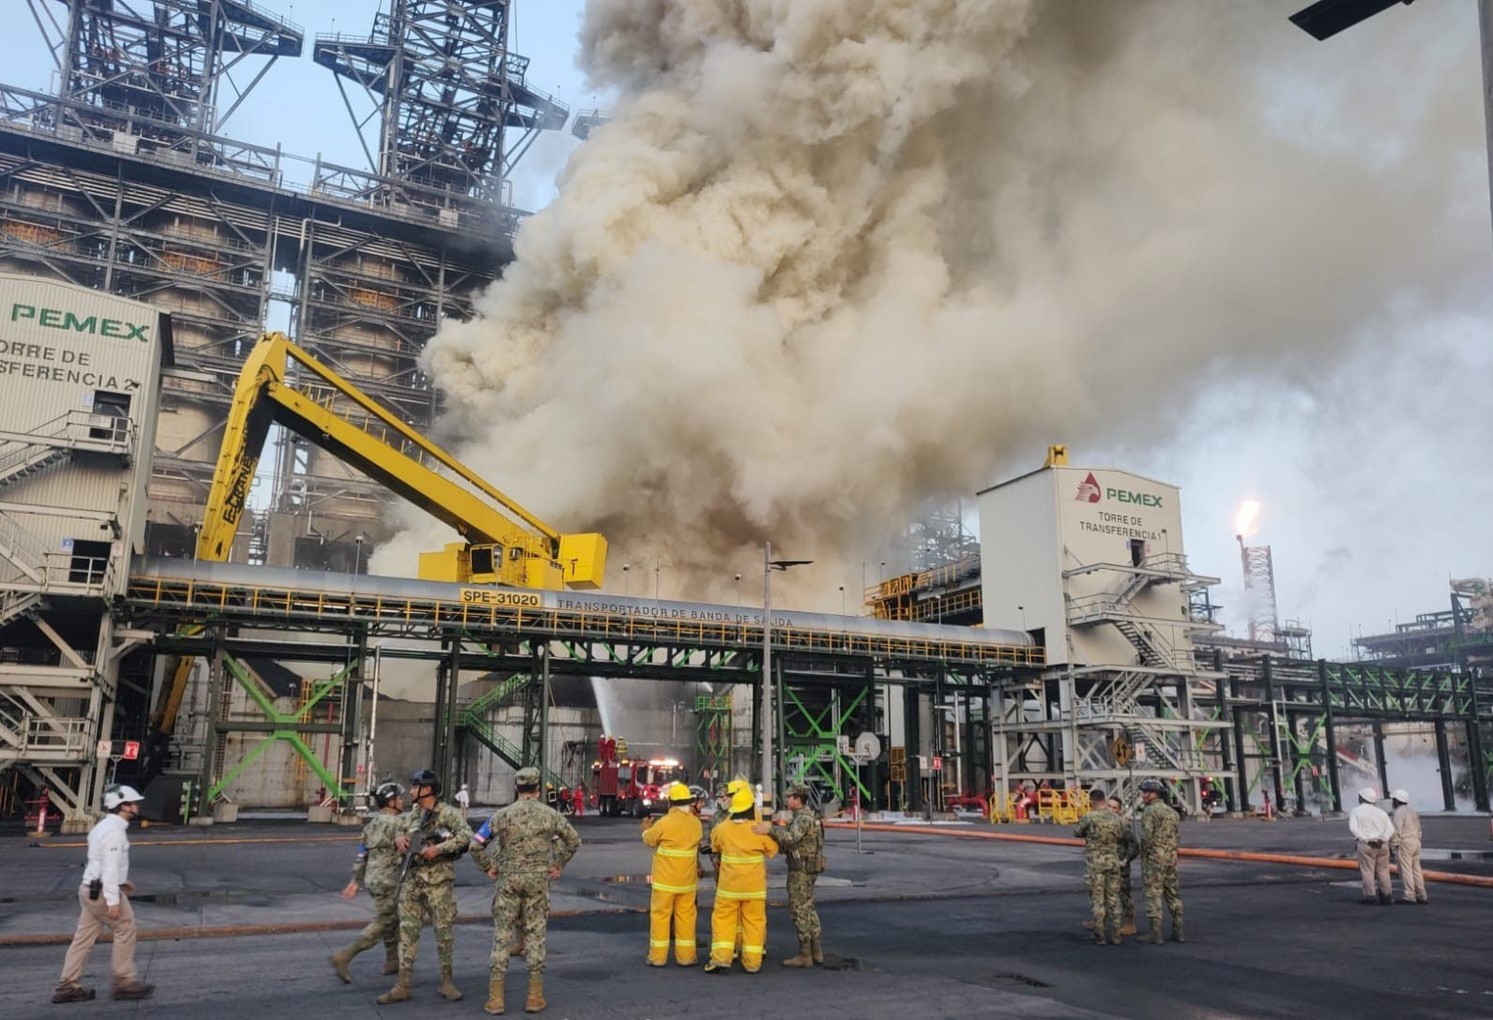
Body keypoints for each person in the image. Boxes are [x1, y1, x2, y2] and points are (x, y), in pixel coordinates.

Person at [471, 766, 581, 1015]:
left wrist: (488, 867)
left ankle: (496, 999)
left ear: (515, 788)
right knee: (535, 937)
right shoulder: (550, 815)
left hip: (508, 881)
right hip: (537, 882)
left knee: (501, 937)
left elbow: (475, 844)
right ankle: (534, 997)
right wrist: (558, 864)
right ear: (538, 788)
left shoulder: (502, 815)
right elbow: (574, 840)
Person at [378, 768, 472, 1005]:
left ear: (427, 789)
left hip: (438, 886)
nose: (410, 791)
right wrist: (399, 839)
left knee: (444, 935)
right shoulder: (412, 815)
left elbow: (466, 837)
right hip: (412, 884)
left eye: (415, 786)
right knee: (407, 935)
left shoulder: (447, 813)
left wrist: (437, 849)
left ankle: (447, 982)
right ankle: (402, 985)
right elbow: (400, 831)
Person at [53, 784, 154, 1003]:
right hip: (102, 892)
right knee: (126, 928)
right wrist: (113, 899)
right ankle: (124, 982)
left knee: (83, 939)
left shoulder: (103, 827)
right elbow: (109, 866)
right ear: (123, 806)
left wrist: (120, 881)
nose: (137, 806)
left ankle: (67, 985)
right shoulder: (114, 832)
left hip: (89, 889)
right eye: (133, 802)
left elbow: (100, 862)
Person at [331, 781, 406, 983]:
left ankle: (392, 961)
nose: (402, 800)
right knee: (384, 921)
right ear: (391, 802)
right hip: (390, 880)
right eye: (399, 798)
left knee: (391, 918)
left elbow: (361, 855)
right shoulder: (399, 824)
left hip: (373, 879)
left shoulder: (371, 826)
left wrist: (356, 880)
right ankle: (344, 956)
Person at [705, 785, 778, 974]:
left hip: (729, 886)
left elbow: (714, 845)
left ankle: (721, 958)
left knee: (723, 920)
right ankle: (753, 963)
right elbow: (772, 851)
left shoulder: (722, 829)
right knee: (754, 922)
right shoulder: (758, 830)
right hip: (754, 888)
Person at [758, 781, 826, 966]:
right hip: (809, 867)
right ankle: (816, 950)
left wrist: (769, 831)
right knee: (808, 907)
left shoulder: (802, 818)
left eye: (790, 797)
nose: (787, 800)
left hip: (801, 870)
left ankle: (805, 955)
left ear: (798, 799)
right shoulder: (810, 816)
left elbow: (791, 838)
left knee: (799, 908)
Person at [641, 781, 703, 967]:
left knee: (660, 918)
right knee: (686, 918)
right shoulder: (696, 823)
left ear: (671, 802)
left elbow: (650, 840)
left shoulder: (664, 823)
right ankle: (686, 957)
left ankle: (658, 958)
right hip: (687, 883)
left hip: (665, 883)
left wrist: (645, 830)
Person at [1073, 789, 1132, 946]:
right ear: (1105, 800)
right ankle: (1116, 935)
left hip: (1096, 863)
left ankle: (1100, 935)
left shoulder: (1090, 817)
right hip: (1113, 861)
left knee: (1098, 899)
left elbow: (1077, 832)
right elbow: (1125, 836)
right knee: (1114, 898)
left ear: (1092, 801)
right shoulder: (1117, 818)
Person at [1138, 778, 1184, 944]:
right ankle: (1179, 931)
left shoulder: (1150, 812)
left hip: (1155, 858)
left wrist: (1142, 853)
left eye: (1145, 792)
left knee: (1153, 893)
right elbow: (1176, 835)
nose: (1143, 795)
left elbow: (1146, 837)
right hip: (1171, 857)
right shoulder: (1172, 812)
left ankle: (1155, 933)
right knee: (1173, 893)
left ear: (1153, 794)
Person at [1348, 786, 1395, 906]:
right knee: (1383, 871)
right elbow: (1390, 829)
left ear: (1361, 798)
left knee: (1367, 871)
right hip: (1382, 845)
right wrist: (1382, 839)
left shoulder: (1356, 811)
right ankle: (1387, 896)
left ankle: (1370, 896)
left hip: (1366, 845)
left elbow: (1353, 828)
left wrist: (1365, 839)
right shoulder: (1381, 812)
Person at [1107, 795, 1139, 935]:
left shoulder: (1123, 825)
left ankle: (1130, 923)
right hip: (1106, 864)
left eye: (1114, 807)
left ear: (1119, 811)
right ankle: (1101, 920)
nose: (1111, 810)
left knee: (1124, 894)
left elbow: (1134, 846)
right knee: (1103, 893)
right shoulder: (1102, 823)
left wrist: (1126, 860)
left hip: (1120, 865)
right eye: (1109, 806)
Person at [1388, 789, 1427, 905]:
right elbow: (1419, 829)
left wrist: (1393, 846)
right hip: (1416, 841)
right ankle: (1421, 894)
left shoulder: (1399, 813)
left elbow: (1396, 831)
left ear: (1396, 800)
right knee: (1416, 870)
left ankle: (1409, 895)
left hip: (1405, 843)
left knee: (1406, 870)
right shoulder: (1412, 811)